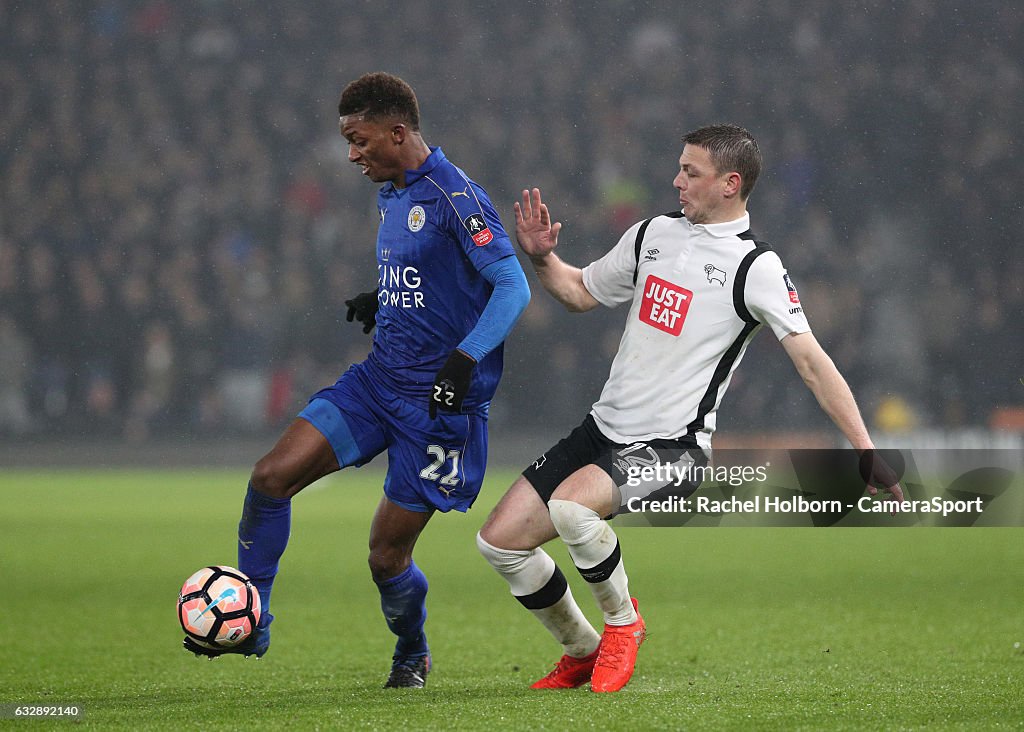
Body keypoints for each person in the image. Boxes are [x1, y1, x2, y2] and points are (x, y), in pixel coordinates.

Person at [476, 124, 904, 693]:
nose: (676, 180)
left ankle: (624, 626)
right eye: (679, 168)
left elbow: (813, 363)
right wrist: (542, 259)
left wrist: (865, 448)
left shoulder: (756, 268)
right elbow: (581, 292)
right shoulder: (652, 233)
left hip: (674, 449)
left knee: (573, 510)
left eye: (690, 172)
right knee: (499, 543)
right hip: (601, 430)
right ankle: (581, 650)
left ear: (730, 183)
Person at [183, 72, 530, 689]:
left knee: (385, 556)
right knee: (270, 478)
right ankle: (253, 615)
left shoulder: (457, 197)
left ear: (398, 132)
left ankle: (411, 650)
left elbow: (512, 286)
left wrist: (464, 358)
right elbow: (436, 274)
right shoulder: (393, 190)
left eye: (359, 139)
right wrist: (388, 298)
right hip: (377, 381)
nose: (351, 153)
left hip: (437, 407)